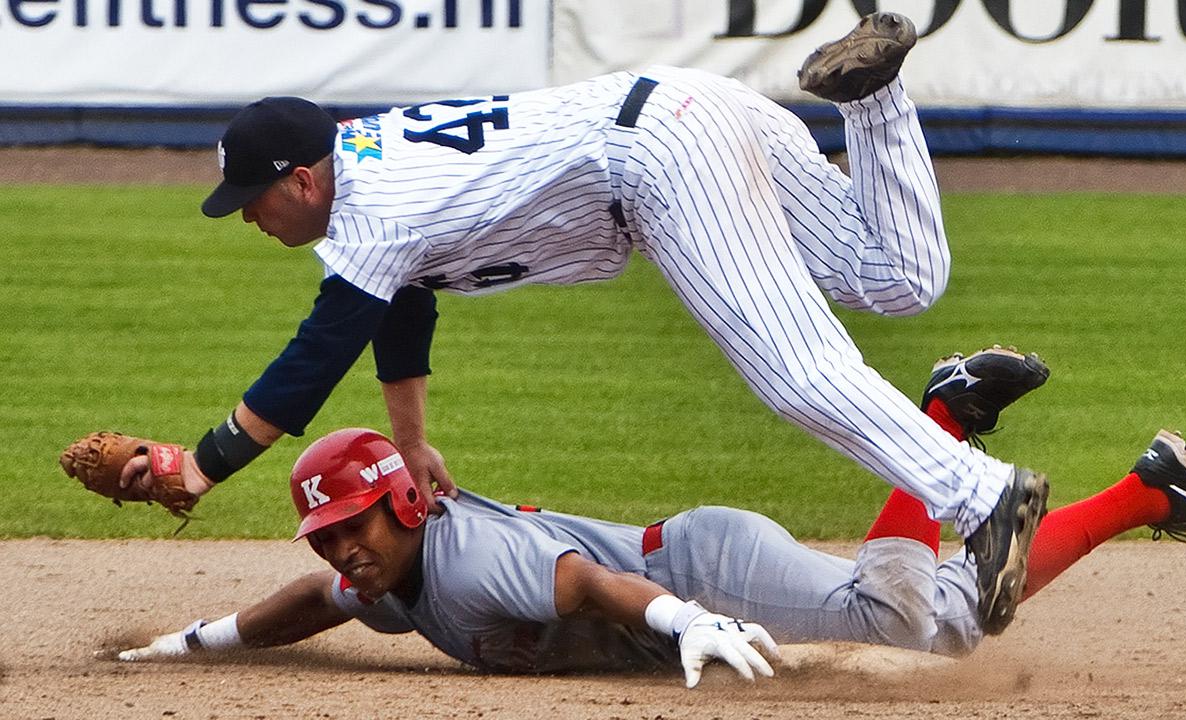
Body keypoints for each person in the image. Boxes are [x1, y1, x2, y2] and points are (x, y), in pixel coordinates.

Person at [120, 12, 1047, 634]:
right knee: (896, 278)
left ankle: (981, 494)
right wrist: (410, 445)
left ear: (303, 179)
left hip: (654, 160)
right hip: (690, 106)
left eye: (253, 198)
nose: (248, 216)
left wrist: (204, 464)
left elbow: (313, 358)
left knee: (795, 370)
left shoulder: (372, 213)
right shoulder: (365, 177)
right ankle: (875, 99)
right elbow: (399, 305)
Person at [115, 349, 1186, 687]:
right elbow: (314, 602)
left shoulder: (471, 571)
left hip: (693, 567)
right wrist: (197, 639)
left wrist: (685, 620)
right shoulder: (380, 579)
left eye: (358, 521)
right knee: (960, 608)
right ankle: (1151, 488)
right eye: (332, 532)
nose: (344, 547)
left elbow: (585, 586)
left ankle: (939, 415)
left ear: (408, 502)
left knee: (924, 621)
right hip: (682, 569)